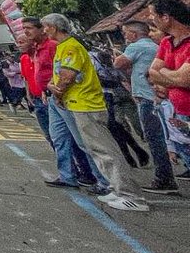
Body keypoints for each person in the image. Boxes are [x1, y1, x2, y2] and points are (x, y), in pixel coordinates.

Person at [43, 13, 144, 210]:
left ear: (54, 27)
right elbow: (59, 76)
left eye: (46, 26)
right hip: (77, 103)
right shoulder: (63, 47)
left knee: (105, 151)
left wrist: (57, 93)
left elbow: (67, 76)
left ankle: (131, 195)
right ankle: (117, 189)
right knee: (98, 150)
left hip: (85, 104)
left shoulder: (71, 46)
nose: (45, 30)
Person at [21, 16, 99, 189]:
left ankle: (100, 179)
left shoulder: (55, 46)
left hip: (66, 98)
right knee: (58, 138)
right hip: (50, 97)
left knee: (81, 141)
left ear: (48, 28)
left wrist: (56, 92)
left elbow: (66, 74)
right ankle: (67, 175)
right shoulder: (39, 49)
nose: (25, 32)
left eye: (30, 28)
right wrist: (44, 89)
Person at [147, 0, 190, 185]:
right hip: (176, 112)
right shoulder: (167, 42)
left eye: (153, 14)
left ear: (166, 17)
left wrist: (164, 74)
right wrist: (171, 76)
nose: (151, 19)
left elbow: (185, 79)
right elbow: (152, 73)